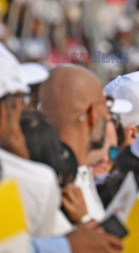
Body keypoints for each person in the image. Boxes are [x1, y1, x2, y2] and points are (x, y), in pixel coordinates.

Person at [39, 65, 111, 222]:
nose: (108, 115)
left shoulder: (80, 175)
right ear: (92, 114)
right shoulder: (57, 186)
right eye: (106, 105)